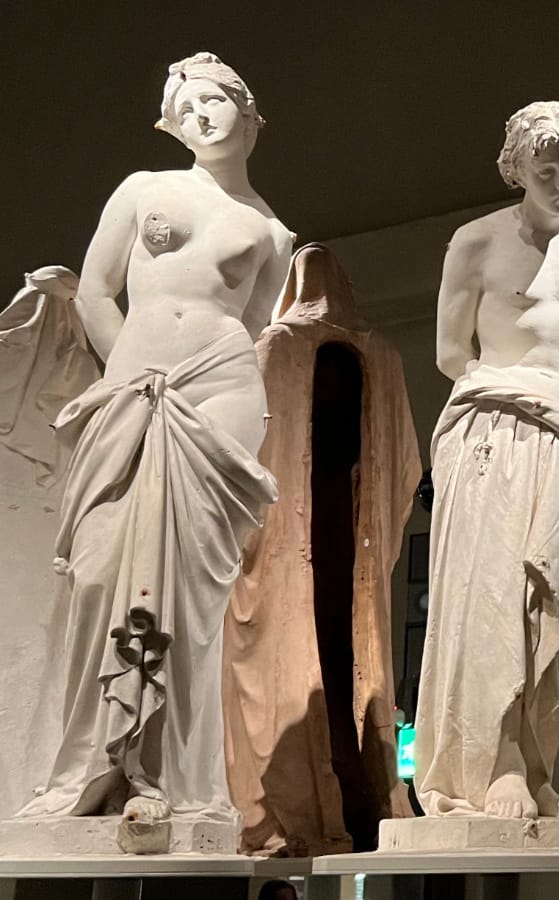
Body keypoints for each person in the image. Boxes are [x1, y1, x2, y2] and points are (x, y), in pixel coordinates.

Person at [19, 52, 289, 828]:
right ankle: (95, 766)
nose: (200, 115)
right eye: (185, 108)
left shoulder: (272, 232)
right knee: (99, 570)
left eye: (212, 100)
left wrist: (189, 376)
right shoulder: (144, 189)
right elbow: (98, 292)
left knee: (195, 596)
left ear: (246, 108)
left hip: (220, 395)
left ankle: (170, 777)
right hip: (134, 389)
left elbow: (254, 325)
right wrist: (132, 373)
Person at [413, 101, 559, 820]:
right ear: (517, 171)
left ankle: (538, 767)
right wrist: (519, 394)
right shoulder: (476, 241)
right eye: (547, 169)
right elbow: (450, 352)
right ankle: (496, 763)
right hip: (496, 428)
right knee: (498, 597)